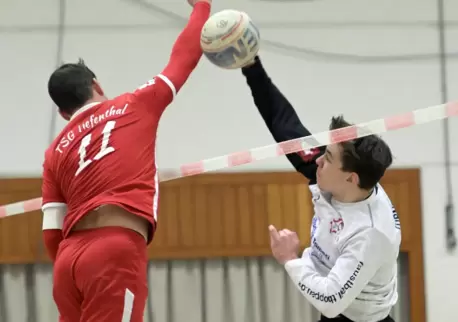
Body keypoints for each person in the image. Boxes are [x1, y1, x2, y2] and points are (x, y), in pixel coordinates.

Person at [40, 0, 211, 320]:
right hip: (114, 249)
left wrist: (72, 266)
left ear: (64, 114)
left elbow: (51, 231)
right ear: (96, 85)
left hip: (67, 261)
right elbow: (183, 58)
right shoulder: (134, 104)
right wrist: (201, 7)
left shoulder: (55, 151)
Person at [240, 56, 401, 322]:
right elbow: (285, 124)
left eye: (327, 158)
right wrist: (250, 66)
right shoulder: (339, 178)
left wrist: (290, 259)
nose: (317, 160)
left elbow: (330, 300)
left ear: (351, 178)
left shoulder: (370, 234)